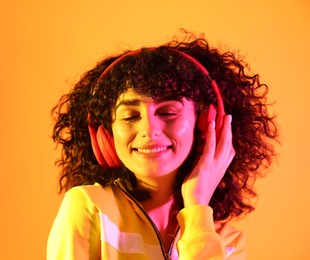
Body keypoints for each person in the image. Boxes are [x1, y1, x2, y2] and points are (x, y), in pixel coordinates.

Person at [47, 30, 278, 259]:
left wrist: (197, 209)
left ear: (206, 126)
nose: (149, 130)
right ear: (106, 135)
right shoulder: (90, 208)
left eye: (168, 112)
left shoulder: (228, 243)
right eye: (130, 116)